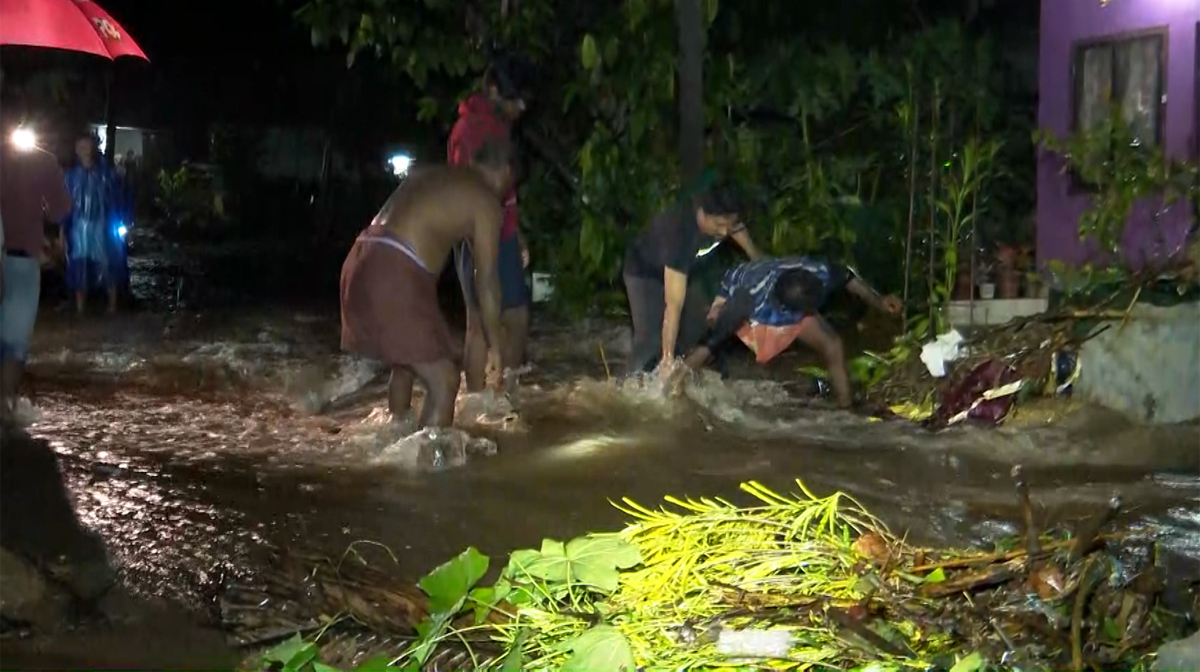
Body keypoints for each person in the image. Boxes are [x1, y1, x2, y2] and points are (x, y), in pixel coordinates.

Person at [339, 138, 513, 429]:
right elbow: (486, 281)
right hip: (393, 270)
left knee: (405, 365)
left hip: (359, 260)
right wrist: (496, 348)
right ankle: (431, 469)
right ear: (505, 171)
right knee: (444, 379)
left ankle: (396, 438)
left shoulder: (435, 176)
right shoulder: (485, 200)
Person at [682, 256, 903, 407]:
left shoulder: (818, 275)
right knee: (752, 349)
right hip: (738, 291)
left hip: (789, 294)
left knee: (833, 344)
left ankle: (846, 406)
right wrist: (672, 382)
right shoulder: (749, 302)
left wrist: (879, 301)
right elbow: (711, 342)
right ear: (781, 307)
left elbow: (847, 278)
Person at [449, 57, 531, 391]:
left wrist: (518, 232)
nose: (522, 106)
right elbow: (469, 196)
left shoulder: (496, 121)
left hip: (500, 230)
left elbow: (505, 189)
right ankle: (502, 397)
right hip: (479, 233)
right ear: (494, 90)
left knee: (480, 323)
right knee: (509, 318)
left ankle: (481, 402)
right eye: (516, 98)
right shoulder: (471, 131)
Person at [622, 184, 762, 375]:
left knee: (699, 327)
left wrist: (757, 257)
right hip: (645, 272)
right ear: (701, 213)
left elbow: (735, 226)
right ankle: (635, 385)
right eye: (719, 225)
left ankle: (694, 370)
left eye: (728, 225)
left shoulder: (723, 218)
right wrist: (667, 358)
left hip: (687, 269)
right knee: (649, 342)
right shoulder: (678, 232)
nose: (723, 232)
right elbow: (673, 305)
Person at [0, 119, 73, 426]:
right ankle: (5, 412)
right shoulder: (42, 161)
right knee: (14, 344)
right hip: (21, 261)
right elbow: (60, 210)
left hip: (16, 256)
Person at [62, 132, 127, 315]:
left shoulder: (106, 175)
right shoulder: (71, 177)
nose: (83, 150)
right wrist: (63, 229)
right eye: (80, 147)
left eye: (87, 146)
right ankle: (80, 308)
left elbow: (117, 199)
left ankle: (112, 306)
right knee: (78, 264)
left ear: (93, 148)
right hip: (79, 226)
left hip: (101, 224)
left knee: (107, 262)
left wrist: (119, 223)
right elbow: (65, 205)